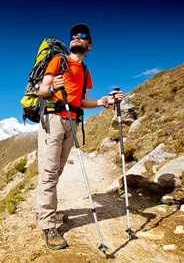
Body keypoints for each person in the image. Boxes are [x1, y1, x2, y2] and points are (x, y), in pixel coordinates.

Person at [36, 23, 123, 250]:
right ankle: (47, 224)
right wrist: (53, 86)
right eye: (73, 35)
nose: (76, 37)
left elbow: (82, 101)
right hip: (53, 120)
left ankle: (50, 214)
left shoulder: (85, 72)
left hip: (72, 121)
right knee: (48, 173)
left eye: (82, 35)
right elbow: (41, 90)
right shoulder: (58, 61)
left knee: (56, 172)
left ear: (89, 45)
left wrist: (104, 101)